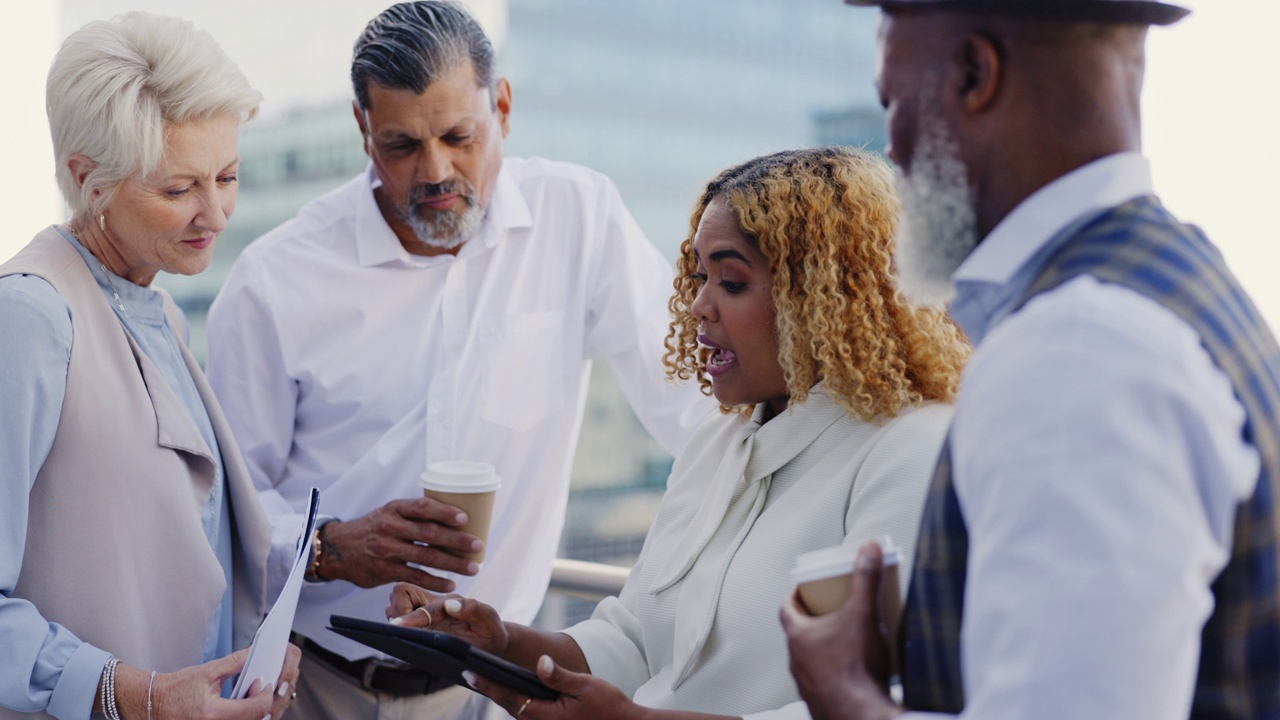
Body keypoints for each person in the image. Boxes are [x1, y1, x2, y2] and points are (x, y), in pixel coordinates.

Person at [203, 2, 712, 718]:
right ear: (362, 132)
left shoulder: (580, 219)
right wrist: (331, 547)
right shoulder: (273, 280)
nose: (436, 170)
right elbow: (221, 510)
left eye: (458, 135)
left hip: (490, 690)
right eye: (403, 145)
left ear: (502, 106)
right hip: (314, 689)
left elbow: (698, 409)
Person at [780, 1, 1280, 718]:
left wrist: (847, 696)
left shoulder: (1075, 350)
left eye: (893, 102)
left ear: (975, 74)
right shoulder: (1175, 273)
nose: (891, 148)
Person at [385, 146, 971, 720]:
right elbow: (636, 642)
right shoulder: (718, 446)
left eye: (732, 283)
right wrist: (500, 642)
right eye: (698, 278)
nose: (698, 307)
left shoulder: (912, 449)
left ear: (823, 299)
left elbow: (885, 702)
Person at [0, 12, 302, 720]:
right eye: (177, 190)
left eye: (227, 177)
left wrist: (258, 644)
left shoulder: (158, 310)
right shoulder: (30, 319)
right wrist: (137, 696)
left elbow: (192, 543)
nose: (216, 213)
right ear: (88, 179)